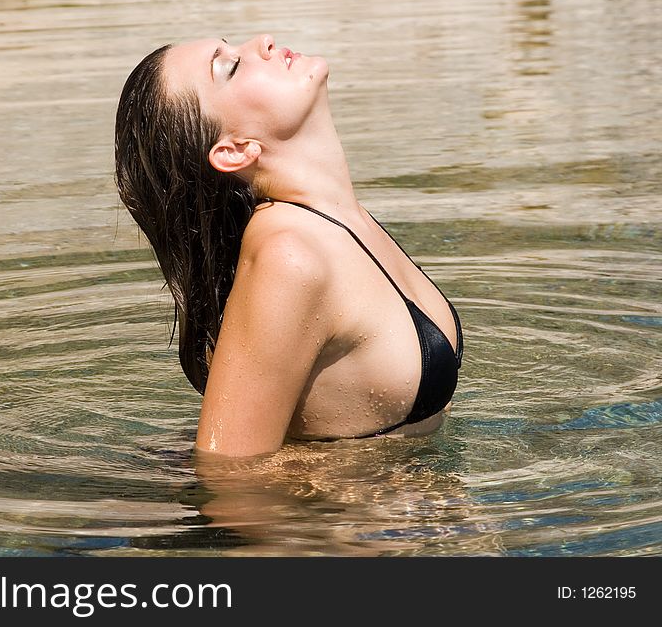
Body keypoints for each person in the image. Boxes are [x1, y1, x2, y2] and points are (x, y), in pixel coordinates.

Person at [114, 34, 463, 458]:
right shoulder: (288, 253)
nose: (262, 41)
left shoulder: (337, 219)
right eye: (230, 67)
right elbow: (229, 474)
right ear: (235, 151)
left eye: (234, 44)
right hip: (341, 521)